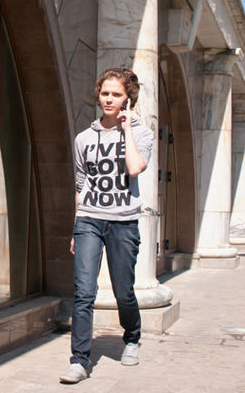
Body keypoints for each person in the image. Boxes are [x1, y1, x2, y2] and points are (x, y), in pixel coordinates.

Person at [60, 67, 154, 384]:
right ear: (98, 95)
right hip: (89, 219)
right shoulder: (83, 138)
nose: (109, 99)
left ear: (128, 98)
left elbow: (135, 168)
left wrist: (126, 128)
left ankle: (131, 338)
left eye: (116, 94)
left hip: (123, 222)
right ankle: (79, 360)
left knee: (123, 291)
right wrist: (76, 226)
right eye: (105, 93)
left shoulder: (141, 133)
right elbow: (80, 182)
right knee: (84, 292)